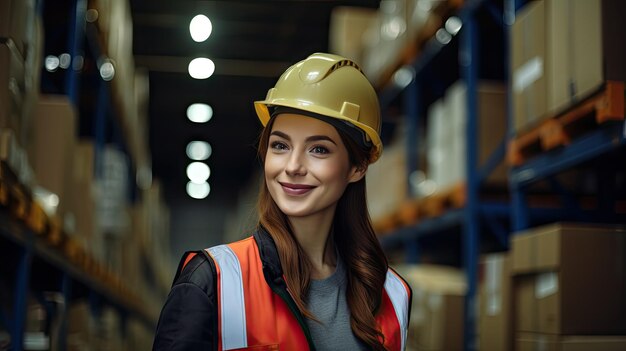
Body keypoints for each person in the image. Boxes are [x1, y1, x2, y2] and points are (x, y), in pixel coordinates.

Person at [153, 53, 411, 351]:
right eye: (280, 145)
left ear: (357, 167)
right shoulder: (213, 281)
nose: (293, 166)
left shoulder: (393, 295)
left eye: (318, 149)